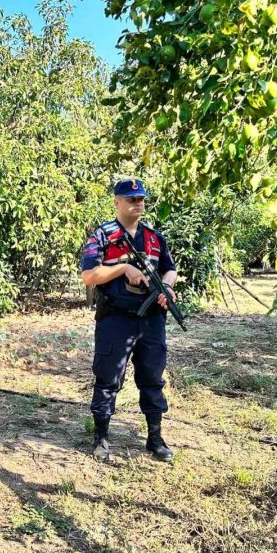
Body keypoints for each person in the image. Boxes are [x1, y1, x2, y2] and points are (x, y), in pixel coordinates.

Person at [80, 178, 178, 463]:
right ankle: (101, 436)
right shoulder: (103, 235)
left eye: (141, 199)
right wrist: (122, 268)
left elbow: (169, 269)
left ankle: (155, 438)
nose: (138, 203)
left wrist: (167, 288)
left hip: (151, 320)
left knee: (152, 378)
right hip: (116, 319)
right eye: (131, 199)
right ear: (117, 202)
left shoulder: (154, 236)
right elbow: (89, 275)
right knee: (108, 378)